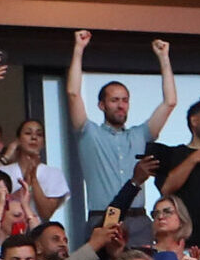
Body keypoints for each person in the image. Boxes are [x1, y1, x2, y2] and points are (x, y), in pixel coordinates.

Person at [64, 30, 177, 232]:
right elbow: (73, 94)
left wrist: (164, 58)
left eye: (125, 100)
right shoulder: (89, 133)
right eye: (114, 100)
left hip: (139, 219)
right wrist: (79, 49)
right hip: (104, 217)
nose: (121, 105)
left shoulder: (139, 134)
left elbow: (170, 103)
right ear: (101, 105)